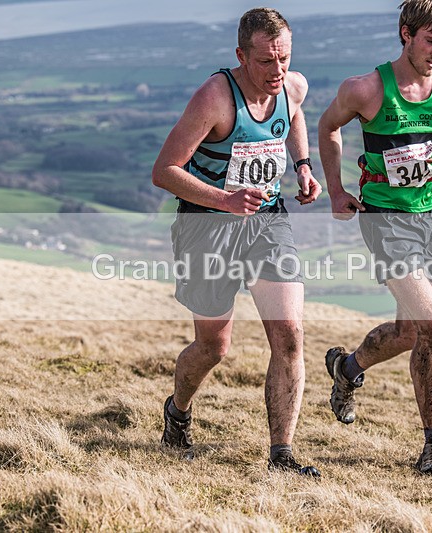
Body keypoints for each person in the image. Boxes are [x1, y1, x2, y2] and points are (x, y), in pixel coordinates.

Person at [317, 0, 432, 474]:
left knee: (409, 332)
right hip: (384, 218)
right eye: (431, 41)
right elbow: (328, 126)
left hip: (431, 215)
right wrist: (336, 190)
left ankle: (346, 369)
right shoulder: (366, 88)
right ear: (406, 34)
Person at [152, 8, 322, 477]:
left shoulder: (293, 86)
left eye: (284, 58)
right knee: (213, 347)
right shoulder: (215, 98)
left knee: (289, 334)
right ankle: (178, 411)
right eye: (266, 61)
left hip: (267, 222)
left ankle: (281, 455)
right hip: (207, 227)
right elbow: (164, 171)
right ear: (241, 56)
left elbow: (294, 115)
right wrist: (225, 200)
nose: (277, 70)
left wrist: (303, 166)